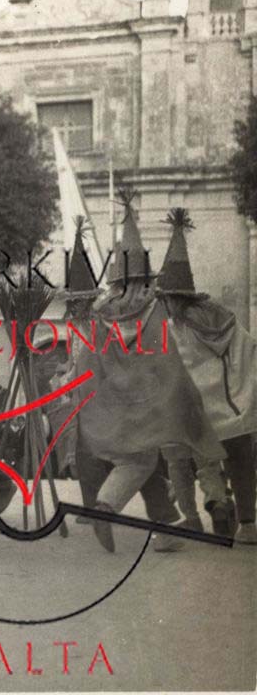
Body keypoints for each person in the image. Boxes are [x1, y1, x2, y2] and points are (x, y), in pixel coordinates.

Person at [73, 194, 224, 553]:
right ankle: (108, 508)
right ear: (145, 279)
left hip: (113, 405)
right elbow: (171, 359)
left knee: (140, 461)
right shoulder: (156, 313)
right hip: (155, 403)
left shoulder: (101, 317)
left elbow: (87, 364)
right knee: (148, 461)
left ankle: (162, 526)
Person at [154, 208, 256, 544]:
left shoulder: (172, 329)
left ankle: (196, 516)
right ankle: (247, 524)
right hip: (230, 407)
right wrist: (242, 393)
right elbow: (247, 348)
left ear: (169, 298)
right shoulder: (219, 318)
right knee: (240, 460)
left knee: (180, 460)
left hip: (194, 412)